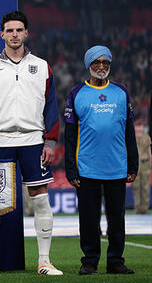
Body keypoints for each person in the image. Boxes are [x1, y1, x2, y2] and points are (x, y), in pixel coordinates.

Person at [0, 11, 62, 276]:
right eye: (9, 30)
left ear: (26, 33)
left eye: (18, 30)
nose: (14, 35)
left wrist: (51, 140)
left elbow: (52, 105)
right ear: (2, 34)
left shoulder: (42, 66)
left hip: (34, 140)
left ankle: (44, 262)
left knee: (40, 200)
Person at [64, 46, 139, 275]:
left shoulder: (121, 92)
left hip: (116, 167)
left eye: (105, 63)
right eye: (96, 62)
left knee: (117, 219)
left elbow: (129, 132)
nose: (101, 67)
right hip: (87, 168)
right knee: (88, 220)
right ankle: (89, 261)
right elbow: (69, 137)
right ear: (88, 66)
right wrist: (71, 170)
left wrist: (133, 165)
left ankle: (116, 261)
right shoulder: (76, 93)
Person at [133, 120, 150, 214]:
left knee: (145, 187)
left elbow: (149, 151)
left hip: (145, 163)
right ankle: (137, 208)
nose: (139, 129)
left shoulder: (146, 138)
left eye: (140, 126)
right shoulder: (132, 137)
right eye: (137, 126)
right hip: (136, 164)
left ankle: (145, 209)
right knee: (136, 187)